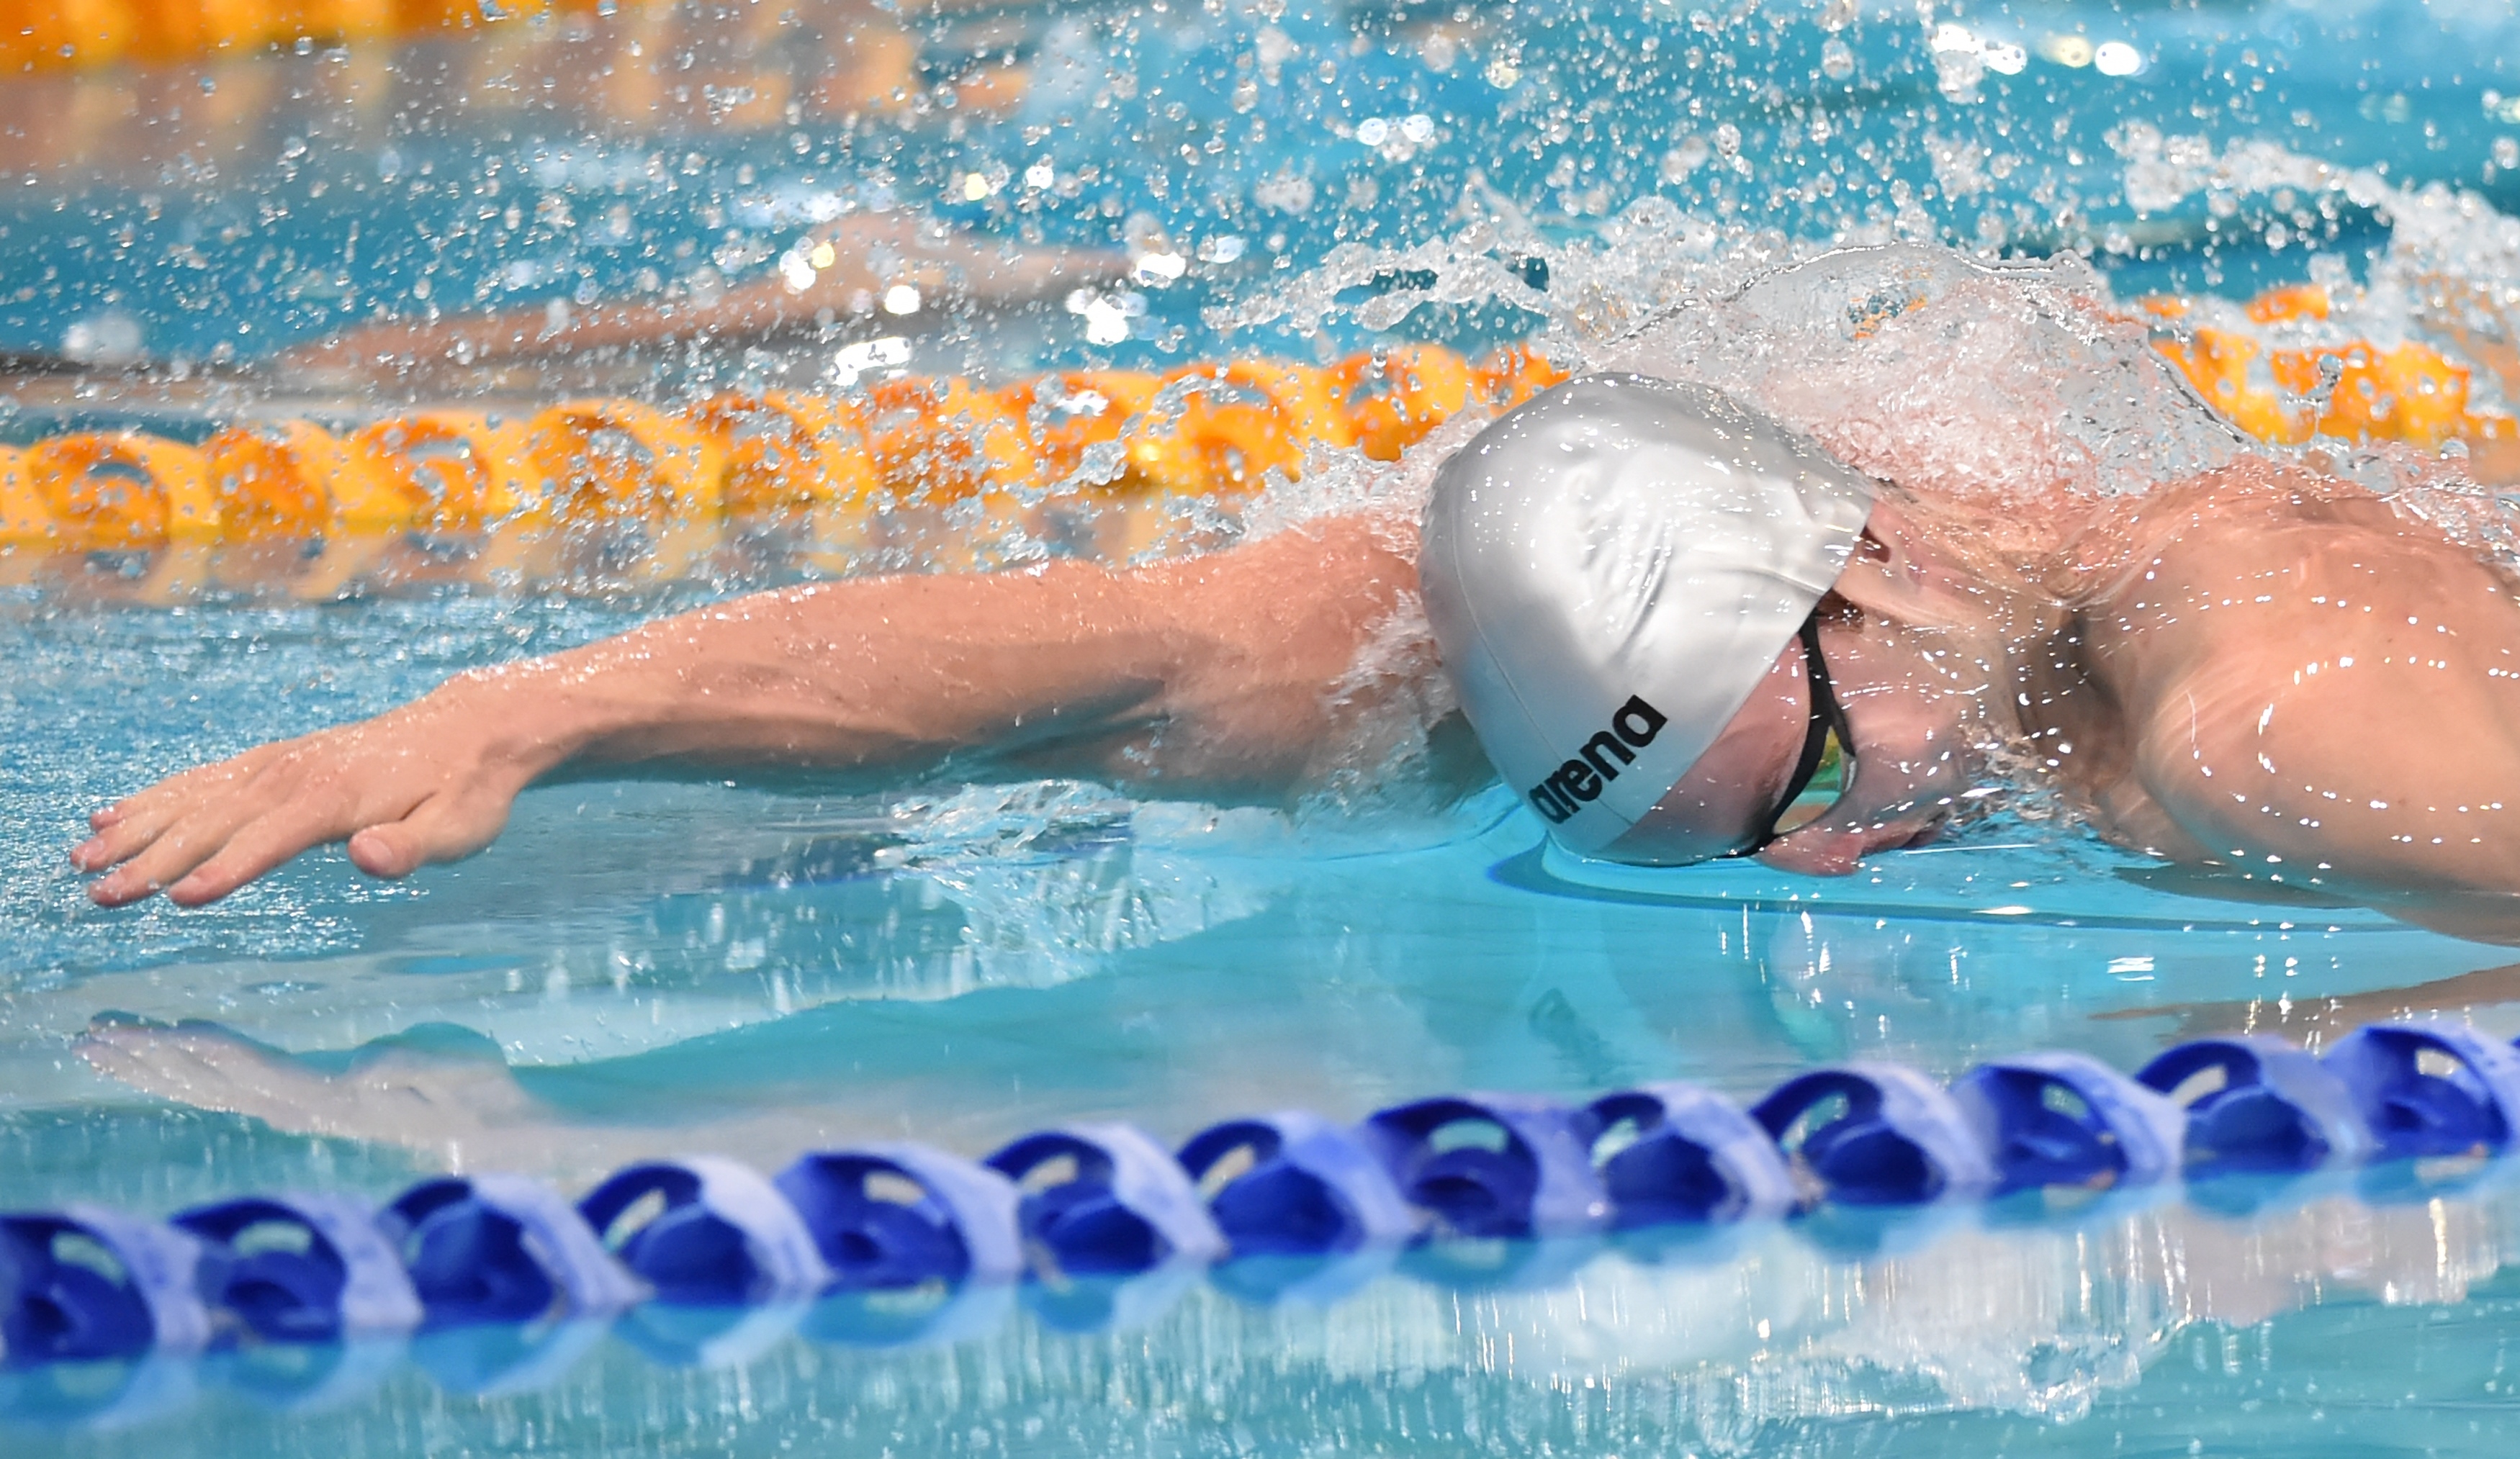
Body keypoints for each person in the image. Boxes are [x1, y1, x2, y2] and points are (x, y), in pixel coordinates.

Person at [68, 309, 2520, 943]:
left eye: (1793, 791)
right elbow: (1127, 653)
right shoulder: (1495, 614)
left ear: (1875, 589)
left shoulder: (2272, 714)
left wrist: (2290, 1020)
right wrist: (544, 696)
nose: (1821, 873)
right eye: (1718, 843)